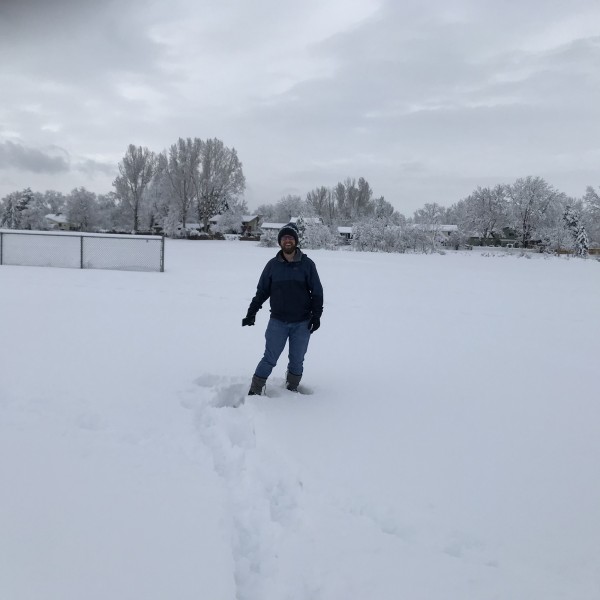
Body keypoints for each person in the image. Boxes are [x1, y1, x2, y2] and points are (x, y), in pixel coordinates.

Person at [242, 222, 324, 395]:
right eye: (285, 238)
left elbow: (317, 292)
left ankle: (292, 387)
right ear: (280, 242)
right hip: (277, 322)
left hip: (302, 323)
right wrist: (252, 312)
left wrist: (316, 316)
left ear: (296, 241)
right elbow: (262, 291)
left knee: (297, 360)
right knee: (269, 358)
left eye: (291, 238)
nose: (288, 241)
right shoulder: (272, 266)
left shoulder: (307, 264)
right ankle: (255, 390)